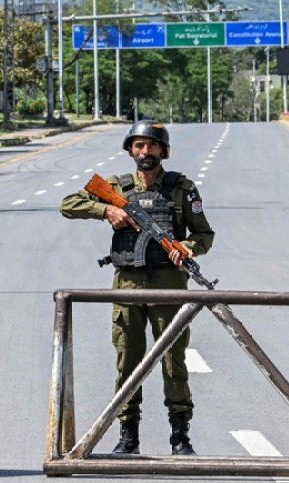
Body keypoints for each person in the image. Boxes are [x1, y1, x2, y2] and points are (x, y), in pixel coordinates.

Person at [60, 120, 214, 456]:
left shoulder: (181, 189)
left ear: (163, 150)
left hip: (169, 285)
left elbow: (205, 235)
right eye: (139, 145)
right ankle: (128, 435)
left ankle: (180, 436)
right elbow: (68, 204)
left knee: (173, 361)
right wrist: (106, 210)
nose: (145, 151)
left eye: (152, 145)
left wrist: (187, 248)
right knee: (127, 361)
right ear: (130, 150)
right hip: (127, 284)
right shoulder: (117, 186)